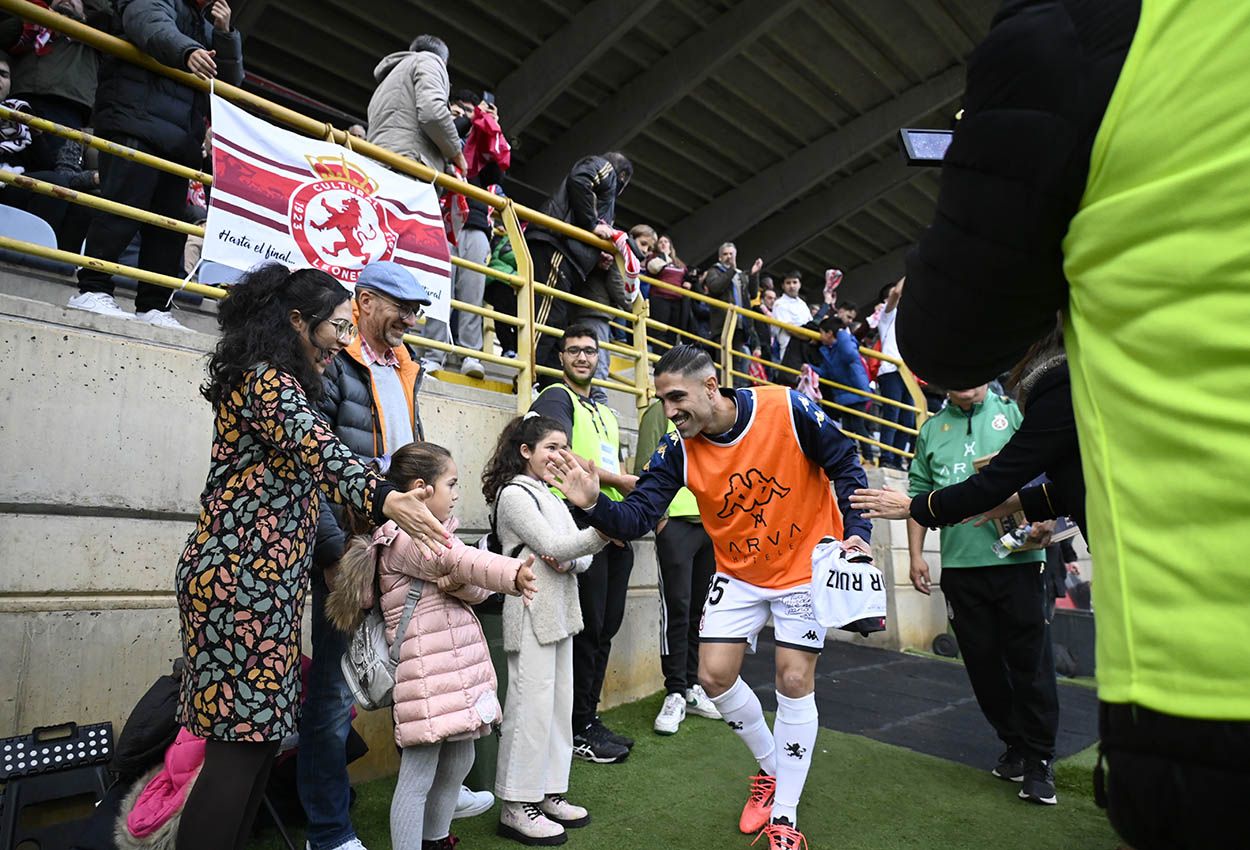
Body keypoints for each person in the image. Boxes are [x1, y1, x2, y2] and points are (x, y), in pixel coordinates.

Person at [896, 4, 1250, 844]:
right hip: (996, 571)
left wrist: (933, 514)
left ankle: (1037, 753)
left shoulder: (1081, 37)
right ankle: (1023, 751)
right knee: (996, 666)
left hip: (1209, 678)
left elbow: (948, 336)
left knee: (1032, 667)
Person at [545, 344, 870, 850]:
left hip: (803, 567)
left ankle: (784, 819)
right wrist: (591, 503)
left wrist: (859, 530)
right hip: (739, 572)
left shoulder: (785, 407)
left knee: (792, 676)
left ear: (711, 386)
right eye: (663, 401)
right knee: (713, 677)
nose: (670, 411)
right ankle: (771, 770)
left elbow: (845, 461)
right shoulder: (676, 448)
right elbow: (635, 517)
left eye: (678, 398)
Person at [173, 264, 449, 850]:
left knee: (260, 743)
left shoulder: (288, 381)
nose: (342, 342)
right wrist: (385, 498)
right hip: (236, 584)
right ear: (298, 322)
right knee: (238, 748)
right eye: (336, 328)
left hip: (265, 584)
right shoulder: (265, 380)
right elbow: (320, 449)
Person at [326, 442, 538, 850]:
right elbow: (459, 561)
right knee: (418, 773)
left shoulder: (432, 537)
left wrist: (466, 584)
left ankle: (435, 841)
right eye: (451, 484)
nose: (457, 493)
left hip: (449, 669)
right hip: (425, 673)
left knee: (460, 759)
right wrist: (511, 572)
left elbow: (468, 584)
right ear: (421, 489)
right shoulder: (405, 538)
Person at [298, 261, 431, 850]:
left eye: (417, 309)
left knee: (414, 672)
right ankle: (327, 832)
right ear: (366, 300)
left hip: (399, 545)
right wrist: (330, 550)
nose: (411, 319)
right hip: (348, 550)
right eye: (401, 307)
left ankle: (426, 794)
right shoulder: (331, 359)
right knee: (329, 694)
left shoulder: (406, 365)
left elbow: (411, 455)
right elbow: (310, 466)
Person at [875, 382, 1059, 805]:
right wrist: (916, 555)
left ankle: (1040, 761)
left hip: (1020, 565)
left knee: (1031, 663)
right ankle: (1014, 744)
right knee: (983, 667)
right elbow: (918, 497)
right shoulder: (931, 430)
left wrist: (1048, 513)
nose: (968, 380)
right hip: (960, 570)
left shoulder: (1013, 412)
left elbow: (1047, 466)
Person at [68, 0, 242, 329]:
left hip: (179, 141)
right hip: (135, 122)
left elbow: (230, 84)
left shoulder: (207, 22)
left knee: (169, 230)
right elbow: (148, 23)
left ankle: (154, 306)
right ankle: (91, 288)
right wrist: (188, 51)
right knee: (122, 209)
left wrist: (225, 34)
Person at [483, 414, 610, 846]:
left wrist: (573, 554)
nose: (559, 455)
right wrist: (602, 533)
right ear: (526, 452)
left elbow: (574, 555)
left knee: (558, 709)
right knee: (529, 710)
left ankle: (549, 792)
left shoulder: (553, 495)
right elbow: (557, 547)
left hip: (561, 612)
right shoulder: (514, 494)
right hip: (531, 610)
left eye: (564, 447)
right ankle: (516, 806)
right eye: (551, 447)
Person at [527, 325, 639, 764]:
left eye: (589, 351)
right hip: (577, 517)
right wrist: (621, 482)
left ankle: (587, 719)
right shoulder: (557, 396)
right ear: (561, 357)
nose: (582, 358)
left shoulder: (605, 410)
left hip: (609, 520)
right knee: (588, 628)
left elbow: (613, 463)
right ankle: (577, 728)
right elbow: (557, 454)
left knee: (605, 627)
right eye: (573, 351)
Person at [634, 397, 721, 735]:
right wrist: (661, 520)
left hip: (711, 527)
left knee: (700, 611)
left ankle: (693, 687)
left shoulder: (709, 415)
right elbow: (645, 466)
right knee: (677, 608)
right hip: (677, 526)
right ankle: (674, 691)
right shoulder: (659, 413)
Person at [527, 152, 632, 380]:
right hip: (557, 244)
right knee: (548, 317)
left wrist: (597, 256)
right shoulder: (605, 168)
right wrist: (592, 224)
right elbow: (580, 179)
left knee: (557, 320)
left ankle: (543, 379)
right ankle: (528, 375)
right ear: (623, 176)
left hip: (567, 253)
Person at [366, 34, 466, 177]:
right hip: (408, 165)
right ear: (444, 61)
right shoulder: (430, 61)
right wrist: (456, 154)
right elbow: (432, 114)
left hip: (377, 164)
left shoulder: (384, 86)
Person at [811, 315, 873, 463]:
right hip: (843, 395)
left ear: (830, 333)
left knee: (858, 426)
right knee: (847, 428)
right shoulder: (827, 350)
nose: (820, 336)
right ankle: (852, 458)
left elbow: (850, 355)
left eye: (822, 332)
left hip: (857, 392)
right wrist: (810, 368)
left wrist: (842, 334)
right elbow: (827, 372)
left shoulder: (846, 343)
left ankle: (869, 457)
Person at [702, 243, 761, 370]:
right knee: (722, 361)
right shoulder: (714, 271)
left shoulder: (740, 275)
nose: (728, 257)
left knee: (736, 364)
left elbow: (752, 294)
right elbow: (715, 288)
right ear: (720, 258)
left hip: (740, 324)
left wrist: (754, 275)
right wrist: (731, 270)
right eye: (725, 254)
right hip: (722, 324)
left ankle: (733, 388)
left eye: (731, 254)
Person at [873, 278, 913, 467]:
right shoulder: (887, 315)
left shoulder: (912, 317)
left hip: (908, 373)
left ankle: (897, 458)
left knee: (907, 418)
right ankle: (886, 457)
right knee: (893, 414)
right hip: (890, 370)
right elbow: (896, 292)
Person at [645, 233, 693, 349]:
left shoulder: (679, 263)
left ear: (670, 245)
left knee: (672, 333)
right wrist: (664, 256)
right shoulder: (654, 258)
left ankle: (669, 361)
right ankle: (659, 360)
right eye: (660, 242)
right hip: (660, 298)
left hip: (677, 300)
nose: (663, 244)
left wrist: (688, 283)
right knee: (659, 331)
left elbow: (687, 277)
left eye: (666, 242)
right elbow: (653, 269)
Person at [770, 271, 811, 364]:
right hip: (789, 349)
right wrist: (809, 337)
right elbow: (789, 329)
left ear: (800, 284)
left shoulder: (803, 304)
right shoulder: (779, 304)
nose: (792, 286)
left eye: (795, 282)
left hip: (806, 350)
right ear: (783, 286)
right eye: (788, 283)